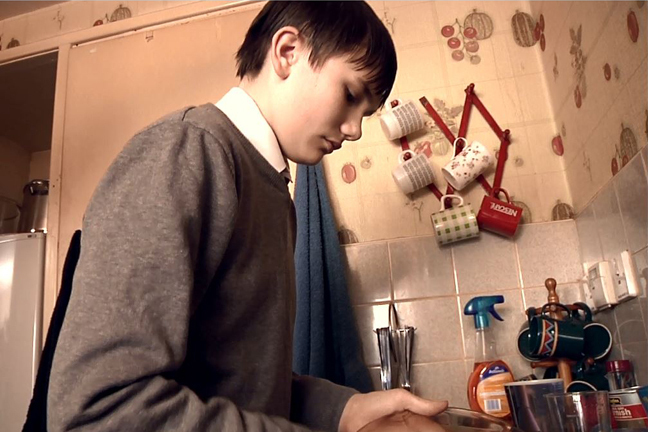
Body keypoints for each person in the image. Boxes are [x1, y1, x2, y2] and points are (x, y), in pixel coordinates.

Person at [47, 2, 448, 431]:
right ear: (288, 51)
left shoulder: (276, 196)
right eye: (350, 95)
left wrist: (345, 411)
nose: (355, 130)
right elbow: (100, 409)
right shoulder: (187, 152)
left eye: (365, 114)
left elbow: (246, 384)